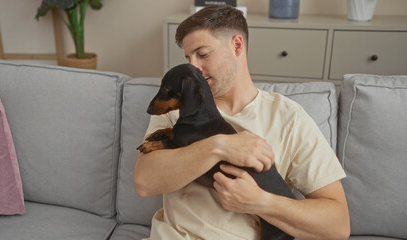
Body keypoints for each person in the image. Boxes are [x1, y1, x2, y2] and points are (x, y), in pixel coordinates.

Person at [134, 5, 350, 240]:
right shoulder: (176, 109)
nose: (193, 67)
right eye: (188, 58)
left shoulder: (289, 118)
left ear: (237, 45)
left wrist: (260, 202)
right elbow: (144, 182)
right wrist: (220, 146)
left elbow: (338, 226)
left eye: (203, 54)